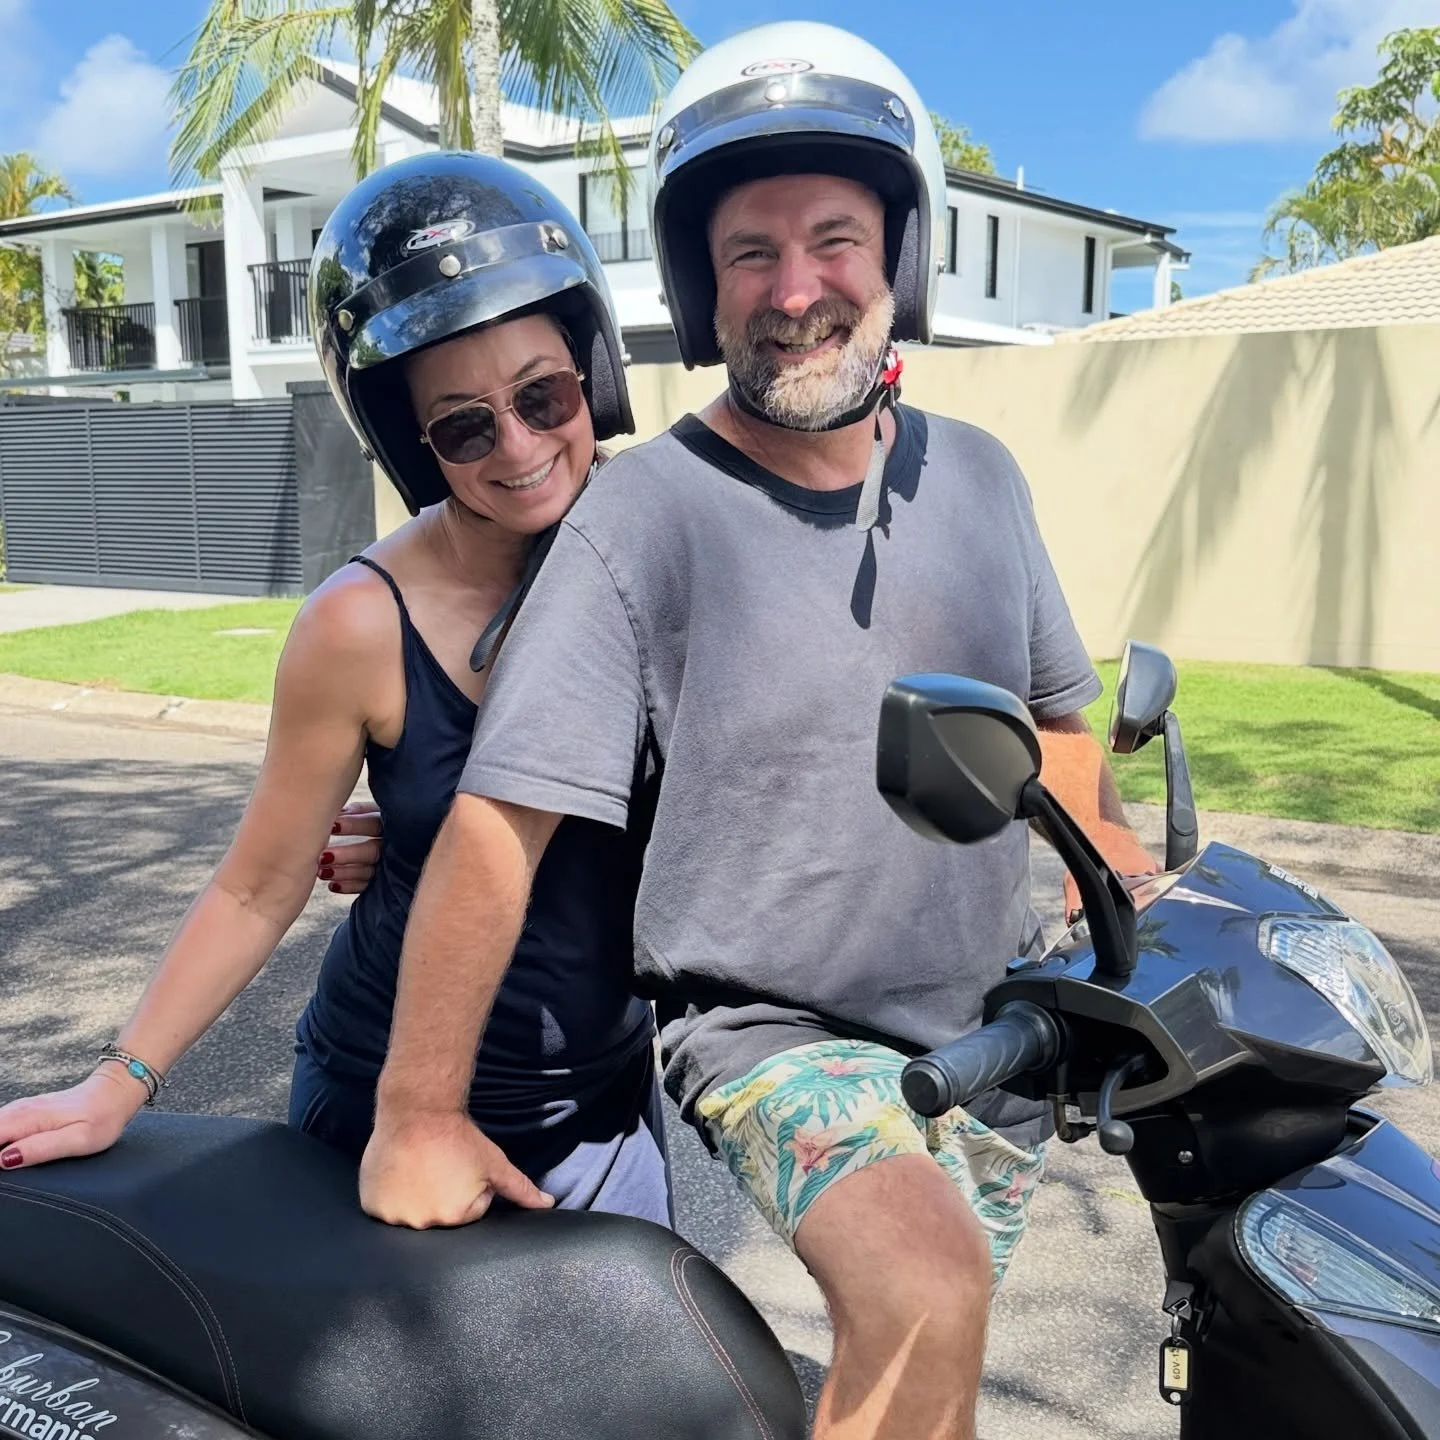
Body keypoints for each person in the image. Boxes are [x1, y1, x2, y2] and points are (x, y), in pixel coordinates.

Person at [358, 22, 1156, 1438]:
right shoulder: (644, 512)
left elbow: (1056, 724)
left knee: (928, 1357)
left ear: (898, 257)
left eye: (836, 241)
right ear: (698, 283)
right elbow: (502, 817)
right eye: (750, 254)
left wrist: (1137, 890)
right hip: (775, 1033)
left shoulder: (979, 475)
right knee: (923, 1288)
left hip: (995, 1033)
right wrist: (415, 1107)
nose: (798, 291)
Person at [0, 152, 671, 1228]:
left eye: (543, 395)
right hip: (384, 1099)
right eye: (463, 425)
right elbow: (257, 886)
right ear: (412, 438)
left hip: (599, 1098)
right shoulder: (359, 625)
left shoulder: (659, 546)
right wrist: (115, 1084)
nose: (521, 447)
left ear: (589, 371)